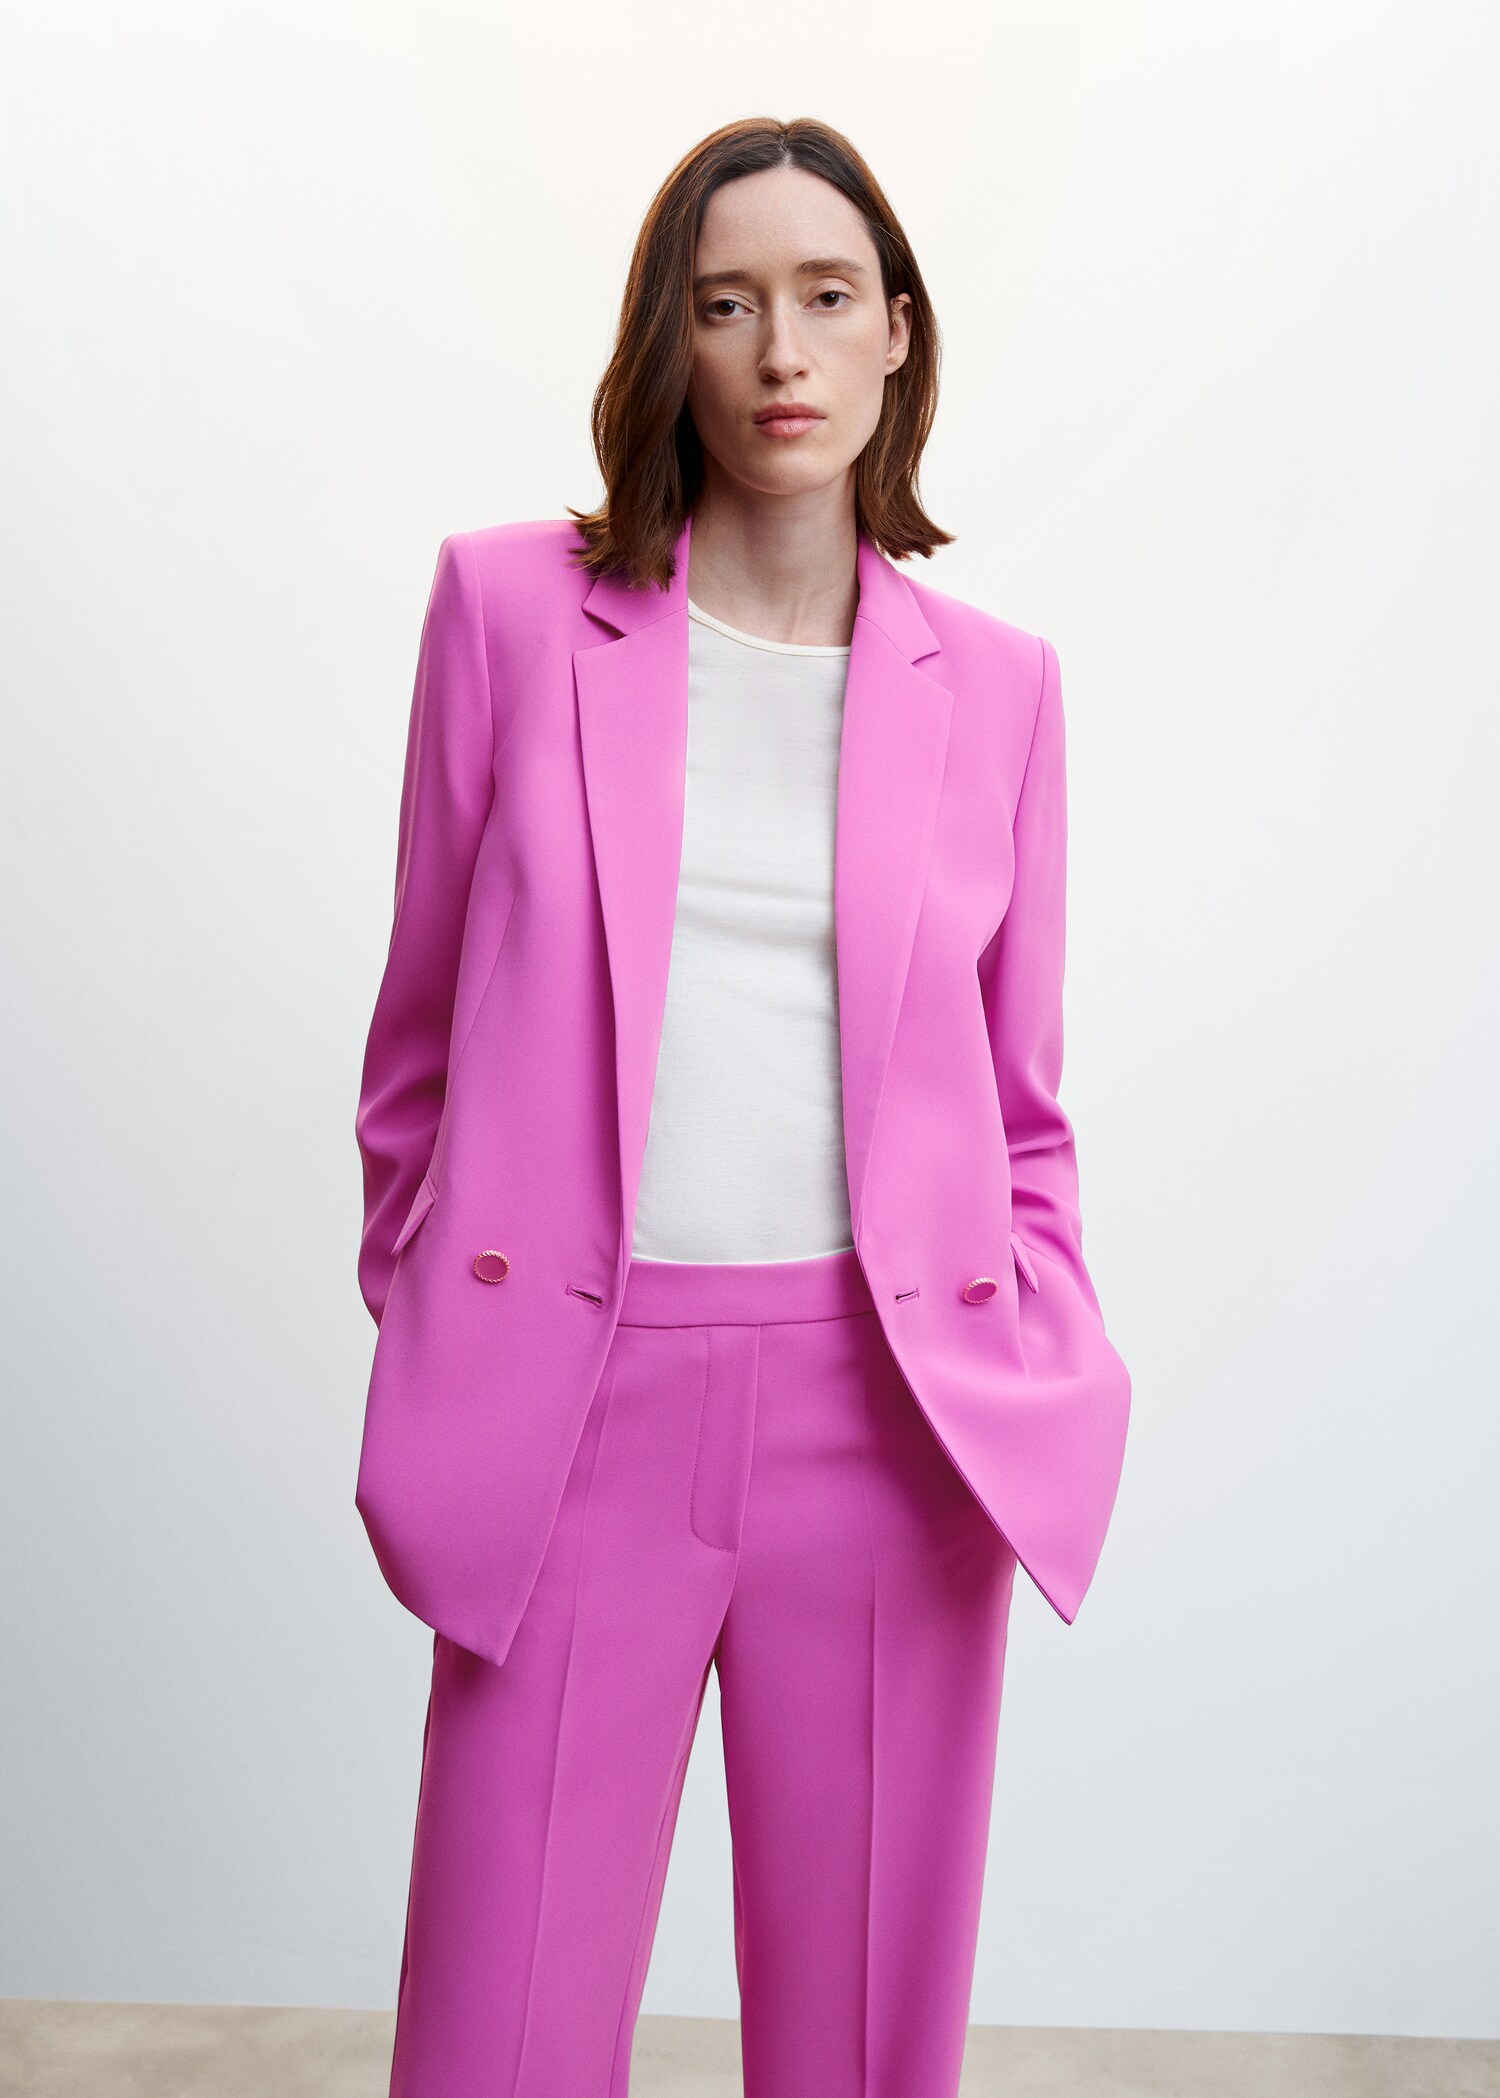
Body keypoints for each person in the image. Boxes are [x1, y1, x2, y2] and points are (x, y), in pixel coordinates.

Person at [353, 114, 1131, 2098]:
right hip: (572, 1400)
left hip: (892, 1418)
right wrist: (438, 1307)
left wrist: (1038, 1327)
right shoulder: (507, 612)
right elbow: (416, 1039)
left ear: (896, 334)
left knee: (862, 2046)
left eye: (825, 295)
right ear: (667, 342)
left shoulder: (1004, 688)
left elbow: (1022, 1103)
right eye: (726, 304)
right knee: (497, 2038)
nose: (782, 350)